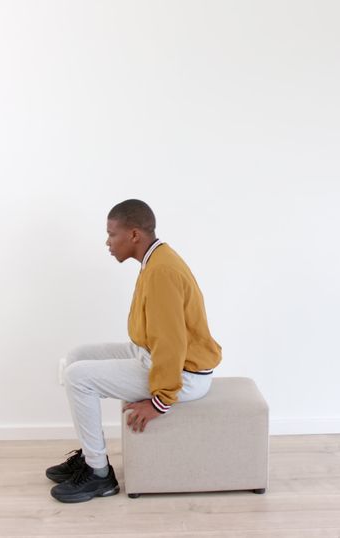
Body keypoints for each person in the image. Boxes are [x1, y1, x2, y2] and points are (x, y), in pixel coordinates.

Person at [46, 199, 223, 503]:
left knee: (77, 377)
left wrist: (160, 401)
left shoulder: (161, 271)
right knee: (75, 358)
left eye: (111, 234)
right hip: (150, 353)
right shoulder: (155, 259)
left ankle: (98, 474)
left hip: (185, 374)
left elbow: (171, 342)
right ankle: (89, 455)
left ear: (134, 235)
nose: (108, 242)